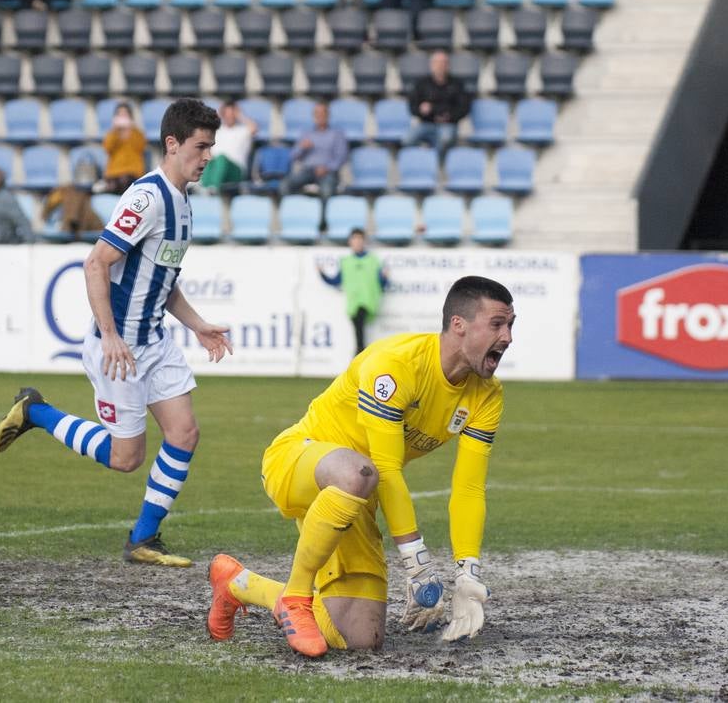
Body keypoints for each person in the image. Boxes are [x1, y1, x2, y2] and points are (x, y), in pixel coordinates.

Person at [206, 276, 514, 657]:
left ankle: (238, 584)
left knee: (360, 639)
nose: (508, 337)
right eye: (498, 324)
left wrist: (467, 573)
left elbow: (468, 488)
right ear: (458, 325)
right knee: (361, 472)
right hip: (299, 460)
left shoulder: (488, 395)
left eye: (511, 325)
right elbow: (385, 467)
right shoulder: (396, 364)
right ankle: (297, 597)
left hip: (357, 495)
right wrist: (417, 565)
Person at [0, 97, 232, 568]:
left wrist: (199, 325)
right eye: (201, 146)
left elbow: (162, 281)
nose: (208, 157)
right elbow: (96, 262)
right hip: (119, 349)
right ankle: (36, 412)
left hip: (154, 341)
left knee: (184, 433)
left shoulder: (183, 203)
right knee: (126, 459)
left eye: (211, 147)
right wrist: (110, 335)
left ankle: (143, 538)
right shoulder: (147, 198)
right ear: (173, 143)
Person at [319, 228, 387, 354]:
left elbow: (382, 283)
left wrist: (385, 278)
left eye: (359, 240)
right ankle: (360, 352)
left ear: (364, 241)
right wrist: (322, 274)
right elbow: (336, 281)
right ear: (350, 242)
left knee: (359, 323)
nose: (357, 243)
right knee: (358, 328)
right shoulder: (346, 261)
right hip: (353, 303)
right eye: (354, 240)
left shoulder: (373, 260)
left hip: (367, 301)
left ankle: (359, 353)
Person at [281, 100, 348, 198]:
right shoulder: (306, 133)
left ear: (328, 115)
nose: (320, 116)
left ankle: (323, 214)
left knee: (327, 190)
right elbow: (293, 155)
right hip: (308, 170)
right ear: (314, 116)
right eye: (317, 113)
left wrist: (327, 168)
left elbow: (341, 156)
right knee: (285, 185)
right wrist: (301, 147)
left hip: (328, 172)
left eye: (322, 113)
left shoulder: (337, 134)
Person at [404, 51, 467, 152]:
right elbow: (412, 107)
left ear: (448, 65)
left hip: (448, 124)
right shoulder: (422, 84)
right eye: (437, 63)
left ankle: (438, 165)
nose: (440, 66)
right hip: (426, 123)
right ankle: (423, 158)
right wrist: (421, 110)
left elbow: (463, 108)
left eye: (443, 63)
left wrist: (449, 116)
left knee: (444, 139)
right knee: (407, 140)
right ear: (431, 65)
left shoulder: (457, 84)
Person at [199, 99, 256, 191]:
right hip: (216, 165)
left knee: (222, 159)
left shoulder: (243, 130)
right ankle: (203, 187)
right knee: (207, 160)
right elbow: (202, 130)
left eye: (232, 114)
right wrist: (217, 115)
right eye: (226, 114)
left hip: (236, 170)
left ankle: (213, 188)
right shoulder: (217, 130)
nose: (229, 117)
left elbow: (254, 128)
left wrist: (240, 115)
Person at [100, 102, 147, 194]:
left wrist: (130, 130)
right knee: (114, 184)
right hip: (114, 172)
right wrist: (115, 131)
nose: (122, 117)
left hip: (133, 172)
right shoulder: (112, 134)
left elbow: (141, 147)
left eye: (125, 114)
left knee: (125, 181)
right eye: (120, 114)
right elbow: (107, 148)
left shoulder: (137, 133)